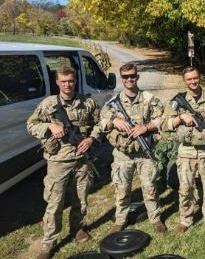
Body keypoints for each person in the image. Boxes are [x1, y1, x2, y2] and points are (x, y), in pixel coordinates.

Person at [27, 66, 101, 259]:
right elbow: (30, 125)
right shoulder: (48, 104)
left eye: (71, 81)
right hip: (58, 161)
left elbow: (100, 124)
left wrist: (91, 139)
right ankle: (49, 242)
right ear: (57, 82)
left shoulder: (87, 103)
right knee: (55, 202)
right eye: (64, 81)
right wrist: (49, 125)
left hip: (82, 160)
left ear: (75, 81)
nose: (68, 85)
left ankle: (78, 229)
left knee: (81, 198)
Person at [162, 66, 205, 233]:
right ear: (184, 81)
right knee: (185, 188)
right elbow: (165, 124)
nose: (193, 82)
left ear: (200, 78)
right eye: (189, 79)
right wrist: (180, 117)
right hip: (186, 152)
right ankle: (185, 219)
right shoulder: (178, 101)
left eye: (195, 78)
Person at [100, 63, 166, 234]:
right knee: (121, 188)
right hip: (123, 154)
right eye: (125, 77)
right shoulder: (112, 103)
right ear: (121, 79)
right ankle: (120, 220)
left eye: (132, 76)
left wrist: (146, 127)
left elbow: (162, 120)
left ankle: (156, 218)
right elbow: (101, 122)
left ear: (137, 77)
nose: (129, 79)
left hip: (144, 152)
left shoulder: (149, 98)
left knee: (150, 186)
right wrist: (113, 121)